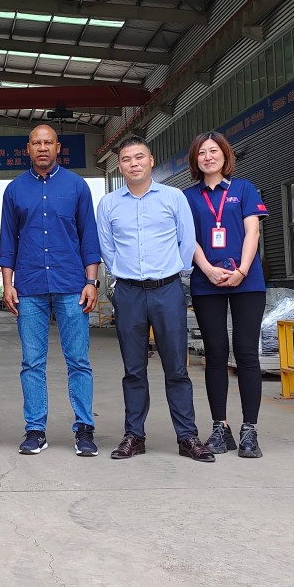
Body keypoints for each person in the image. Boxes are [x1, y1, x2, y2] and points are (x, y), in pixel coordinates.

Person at [96, 135, 215, 463]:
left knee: (176, 367)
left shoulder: (173, 197)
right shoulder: (108, 204)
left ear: (151, 161)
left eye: (139, 157)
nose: (133, 164)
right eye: (126, 159)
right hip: (129, 293)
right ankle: (134, 435)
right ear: (120, 167)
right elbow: (107, 247)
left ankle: (187, 436)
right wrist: (123, 276)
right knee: (133, 369)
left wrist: (171, 272)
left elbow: (187, 242)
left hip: (167, 290)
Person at [0, 124, 102, 457]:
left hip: (71, 285)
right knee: (32, 362)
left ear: (58, 147)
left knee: (79, 361)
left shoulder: (77, 186)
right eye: (36, 143)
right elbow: (8, 241)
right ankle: (35, 430)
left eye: (48, 143)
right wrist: (7, 284)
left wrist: (91, 282)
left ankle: (84, 430)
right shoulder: (15, 190)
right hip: (29, 288)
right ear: (28, 148)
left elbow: (89, 238)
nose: (42, 148)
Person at [184, 132, 268, 459]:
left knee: (246, 353)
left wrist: (243, 270)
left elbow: (252, 231)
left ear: (225, 154)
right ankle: (220, 428)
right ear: (195, 159)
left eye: (213, 151)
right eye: (201, 152)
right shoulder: (188, 197)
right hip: (207, 282)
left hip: (247, 282)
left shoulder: (244, 189)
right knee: (216, 353)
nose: (208, 157)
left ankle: (250, 430)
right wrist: (206, 269)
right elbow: (188, 238)